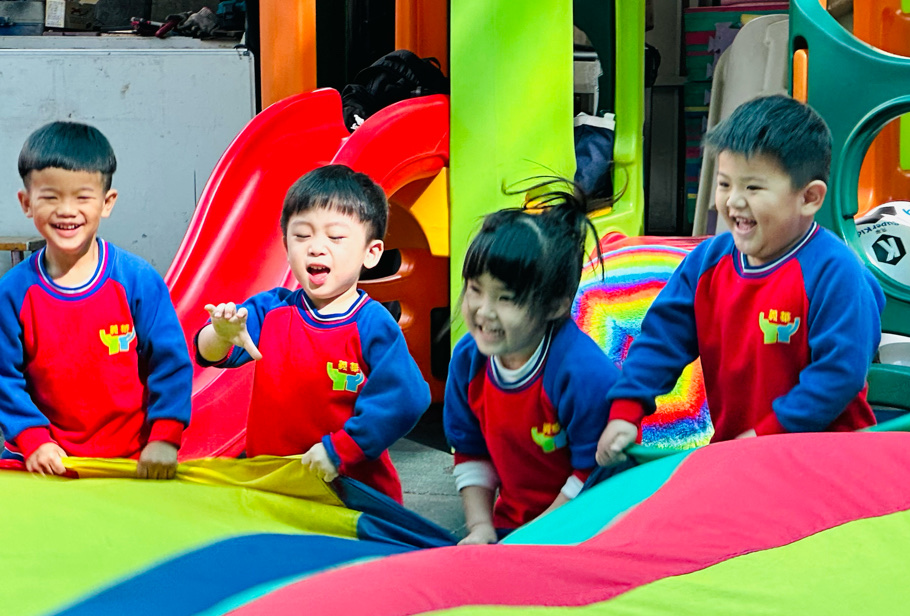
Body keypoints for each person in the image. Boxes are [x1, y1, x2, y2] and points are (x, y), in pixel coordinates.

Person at [597, 95, 884, 466]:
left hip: (829, 462)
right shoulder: (707, 263)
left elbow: (839, 374)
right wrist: (626, 409)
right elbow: (661, 341)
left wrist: (767, 435)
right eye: (724, 184)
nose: (733, 201)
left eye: (753, 188)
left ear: (809, 198)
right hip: (739, 458)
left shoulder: (835, 272)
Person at [195, 164, 430, 502]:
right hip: (275, 487)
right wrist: (220, 333)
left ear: (371, 253)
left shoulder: (371, 325)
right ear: (286, 245)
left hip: (351, 494)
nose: (316, 248)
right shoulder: (272, 309)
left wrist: (341, 449)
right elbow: (210, 353)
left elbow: (406, 397)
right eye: (302, 235)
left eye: (335, 237)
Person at [0, 121, 191, 478]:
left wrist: (165, 437)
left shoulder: (137, 281)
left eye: (82, 197)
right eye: (50, 197)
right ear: (26, 203)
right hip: (44, 460)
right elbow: (3, 377)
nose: (66, 210)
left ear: (107, 202)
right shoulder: (12, 292)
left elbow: (169, 363)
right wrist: (32, 440)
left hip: (130, 458)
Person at [444, 184, 619, 545]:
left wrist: (526, 542)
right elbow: (470, 450)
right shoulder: (468, 361)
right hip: (513, 530)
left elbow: (592, 476)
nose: (484, 311)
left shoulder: (582, 374)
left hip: (589, 531)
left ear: (555, 305)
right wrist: (480, 528)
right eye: (475, 289)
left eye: (506, 298)